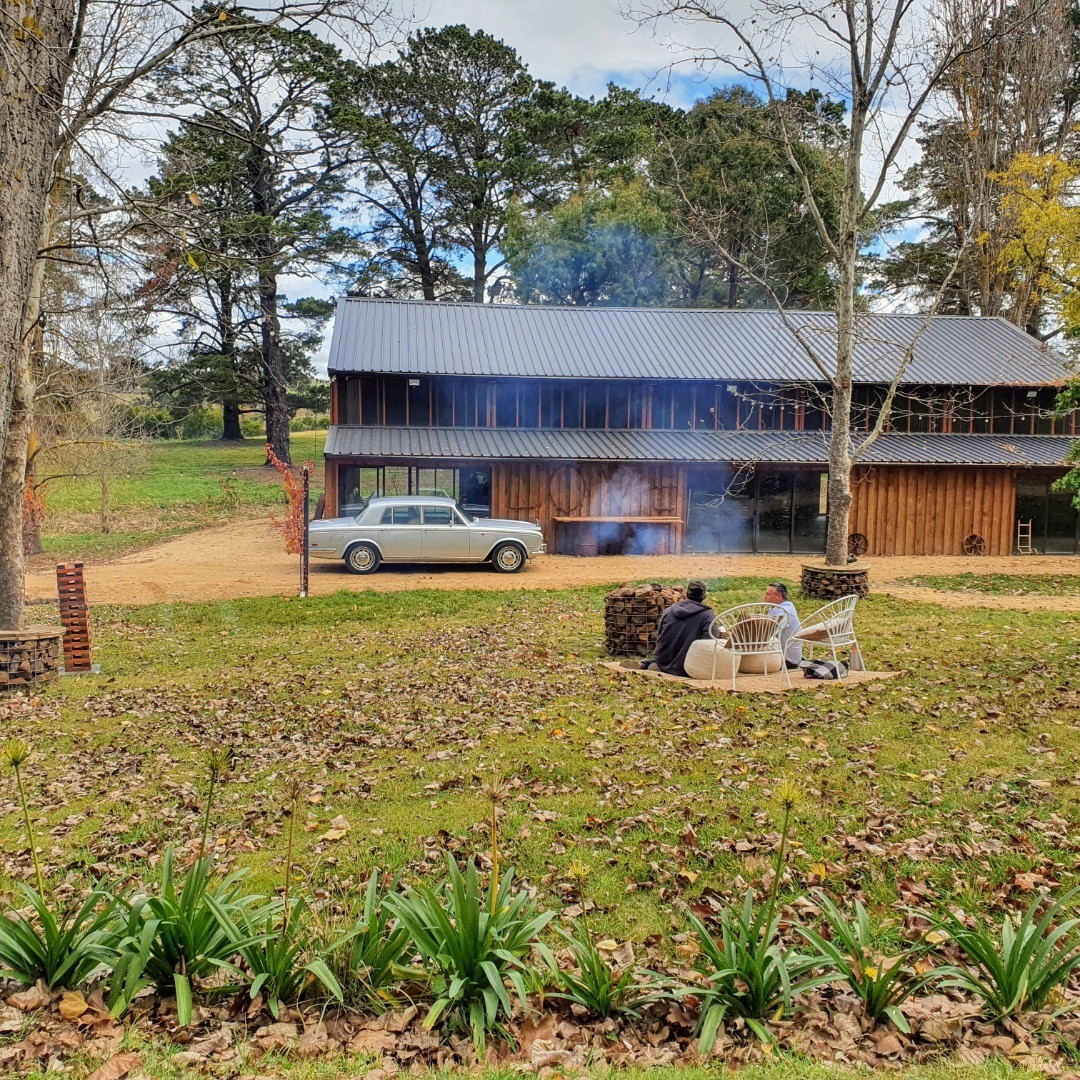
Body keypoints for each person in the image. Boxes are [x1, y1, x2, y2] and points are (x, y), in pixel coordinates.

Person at [647, 580, 716, 678]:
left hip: (662, 660)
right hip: (686, 667)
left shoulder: (669, 610)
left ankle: (651, 665)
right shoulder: (707, 615)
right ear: (704, 596)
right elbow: (711, 642)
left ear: (687, 594)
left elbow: (660, 635)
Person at [764, 582, 803, 668]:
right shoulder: (776, 607)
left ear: (778, 596)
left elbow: (770, 632)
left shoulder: (784, 610)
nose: (765, 597)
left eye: (768, 594)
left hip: (788, 661)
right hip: (781, 655)